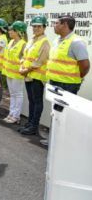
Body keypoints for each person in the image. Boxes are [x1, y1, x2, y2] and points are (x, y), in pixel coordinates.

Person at [41, 15, 90, 146]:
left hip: (67, 85)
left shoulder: (76, 42)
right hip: (55, 83)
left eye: (56, 23)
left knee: (64, 115)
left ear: (65, 24)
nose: (54, 25)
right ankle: (54, 141)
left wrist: (76, 78)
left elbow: (85, 66)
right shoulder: (57, 40)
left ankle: (62, 144)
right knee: (56, 114)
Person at [18, 15, 50, 135]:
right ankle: (30, 123)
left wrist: (25, 70)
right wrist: (22, 66)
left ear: (44, 27)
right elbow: (24, 56)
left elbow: (40, 60)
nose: (36, 28)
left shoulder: (44, 41)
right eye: (34, 26)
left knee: (37, 101)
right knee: (31, 100)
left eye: (39, 26)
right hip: (28, 75)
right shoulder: (31, 40)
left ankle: (34, 126)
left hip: (37, 76)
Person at [2, 21, 27, 124]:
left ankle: (16, 116)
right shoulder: (11, 42)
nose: (9, 32)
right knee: (12, 94)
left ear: (17, 32)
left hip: (17, 74)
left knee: (18, 94)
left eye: (11, 30)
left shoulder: (23, 44)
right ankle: (11, 113)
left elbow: (24, 59)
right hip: (9, 72)